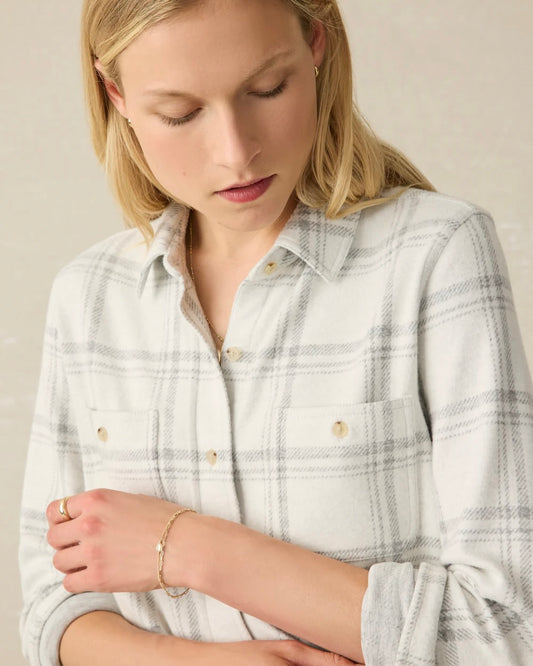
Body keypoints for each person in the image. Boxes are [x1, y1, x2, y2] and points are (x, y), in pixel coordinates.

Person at [19, 0, 533, 664]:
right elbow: (51, 610)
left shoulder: (435, 255)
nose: (234, 151)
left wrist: (188, 548)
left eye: (267, 88)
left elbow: (506, 630)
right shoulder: (88, 296)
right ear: (114, 94)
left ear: (316, 46)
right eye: (180, 114)